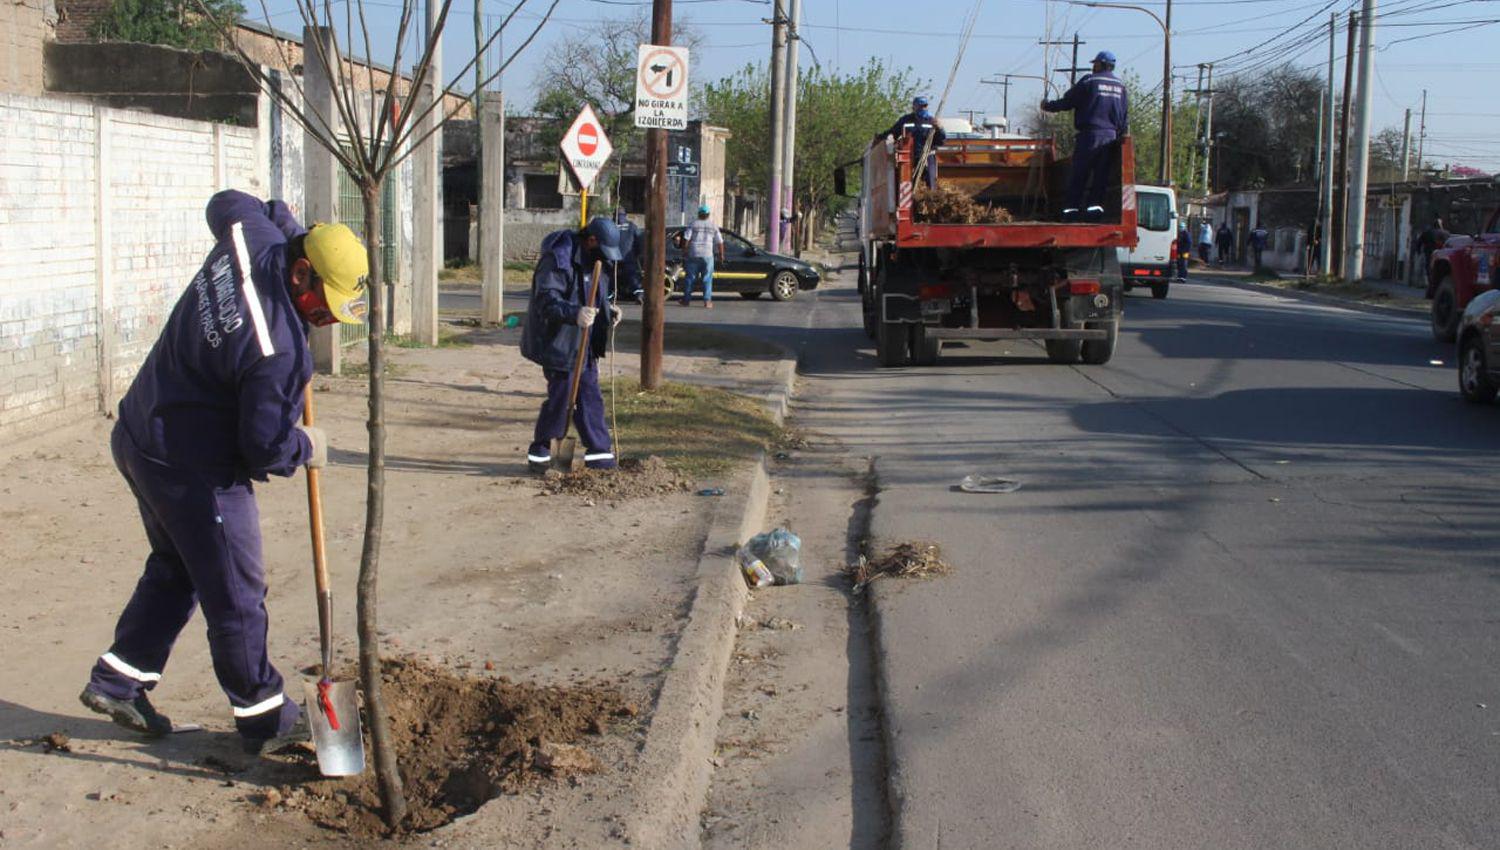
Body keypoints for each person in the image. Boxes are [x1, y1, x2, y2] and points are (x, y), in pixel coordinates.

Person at [80, 190, 368, 754]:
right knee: (236, 591)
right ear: (301, 271)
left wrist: (284, 223)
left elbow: (230, 202)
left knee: (179, 566)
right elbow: (262, 447)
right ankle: (262, 717)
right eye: (322, 304)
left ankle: (118, 680)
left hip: (140, 432)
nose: (326, 317)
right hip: (193, 469)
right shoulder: (278, 351)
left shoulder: (250, 240)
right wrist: (302, 445)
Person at [521, 217, 624, 474]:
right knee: (563, 395)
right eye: (602, 251)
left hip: (585, 342)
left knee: (589, 394)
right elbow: (546, 300)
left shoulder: (597, 260)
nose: (606, 258)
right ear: (590, 240)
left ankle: (600, 456)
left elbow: (595, 294)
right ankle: (541, 454)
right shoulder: (558, 259)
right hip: (558, 340)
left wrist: (607, 311)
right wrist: (574, 313)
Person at [1041, 51, 1129, 222]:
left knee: (1079, 175)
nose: (1092, 66)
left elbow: (1068, 101)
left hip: (1090, 135)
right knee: (1100, 179)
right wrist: (1119, 138)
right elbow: (1124, 118)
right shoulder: (1121, 86)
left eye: (1095, 63)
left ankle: (1071, 213)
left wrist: (1048, 106)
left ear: (1101, 64)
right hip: (1110, 138)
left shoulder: (1089, 81)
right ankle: (1094, 215)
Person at [875, 96, 947, 188]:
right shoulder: (906, 120)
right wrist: (880, 137)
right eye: (920, 106)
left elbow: (941, 141)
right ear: (914, 107)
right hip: (908, 156)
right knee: (903, 180)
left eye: (925, 106)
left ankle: (931, 196)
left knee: (930, 180)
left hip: (926, 157)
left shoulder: (931, 122)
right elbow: (893, 132)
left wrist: (940, 128)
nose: (923, 108)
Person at [679, 203, 724, 308]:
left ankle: (686, 300)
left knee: (690, 278)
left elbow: (686, 239)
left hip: (693, 254)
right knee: (707, 278)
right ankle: (707, 301)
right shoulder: (713, 225)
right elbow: (720, 242)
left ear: (699, 214)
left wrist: (685, 251)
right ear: (708, 214)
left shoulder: (693, 224)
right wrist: (721, 255)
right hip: (707, 255)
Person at [613, 208, 644, 304]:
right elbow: (639, 241)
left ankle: (608, 297)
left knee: (610, 277)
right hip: (628, 256)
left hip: (612, 256)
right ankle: (639, 295)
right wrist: (637, 253)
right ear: (625, 215)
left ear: (614, 215)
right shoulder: (632, 226)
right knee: (633, 277)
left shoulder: (610, 225)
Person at [1416, 217, 1450, 285]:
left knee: (1429, 268)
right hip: (1441, 255)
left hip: (1429, 253)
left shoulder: (1427, 233)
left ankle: (1429, 283)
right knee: (1440, 270)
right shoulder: (1446, 233)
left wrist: (1418, 251)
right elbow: (1449, 244)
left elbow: (1419, 242)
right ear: (1441, 225)